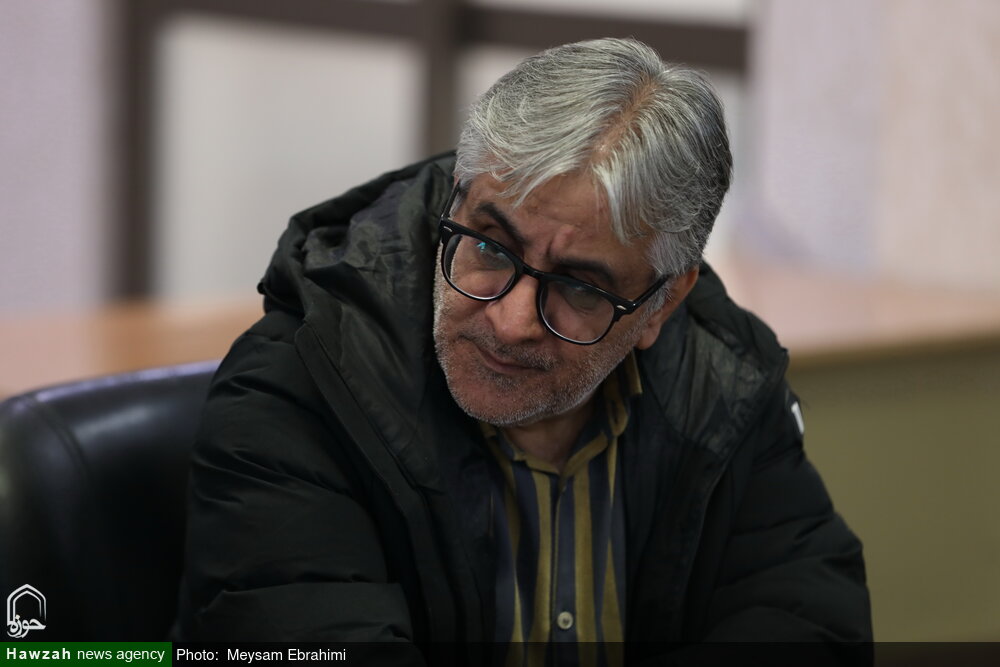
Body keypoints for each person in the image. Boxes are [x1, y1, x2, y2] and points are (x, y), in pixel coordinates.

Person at [173, 37, 871, 664]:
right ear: (455, 202)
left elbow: (814, 624)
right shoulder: (301, 383)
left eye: (578, 287)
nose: (510, 322)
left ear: (661, 304)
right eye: (489, 247)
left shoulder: (723, 383)